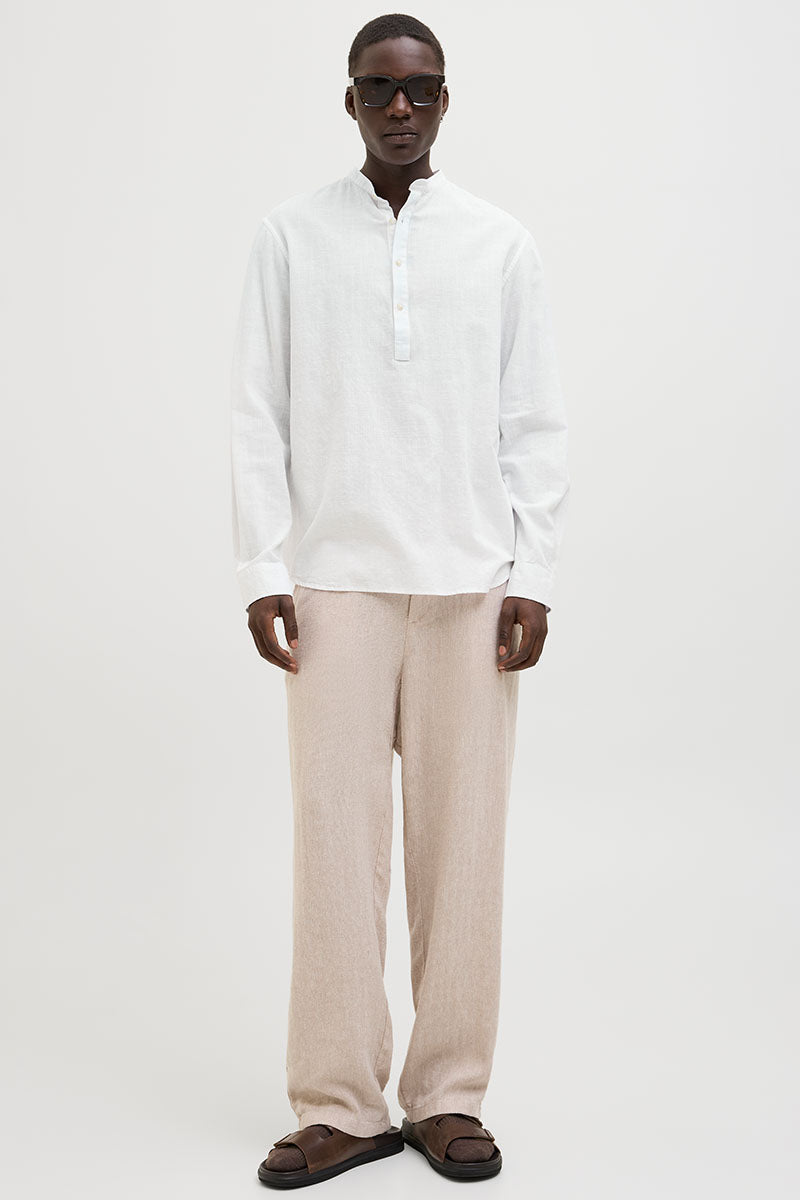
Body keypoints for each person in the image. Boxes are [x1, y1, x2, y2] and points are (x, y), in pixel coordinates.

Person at [230, 12, 570, 1189]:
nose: (399, 108)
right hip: (333, 581)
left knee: (462, 850)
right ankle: (336, 1103)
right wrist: (261, 568)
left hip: (470, 585)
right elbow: (256, 412)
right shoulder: (289, 237)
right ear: (349, 101)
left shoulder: (498, 244)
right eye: (378, 88)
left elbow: (533, 420)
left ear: (444, 99)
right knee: (334, 846)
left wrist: (534, 574)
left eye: (419, 90)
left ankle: (447, 1094)